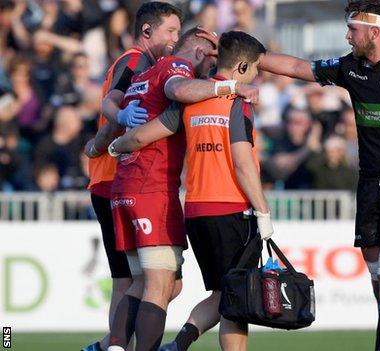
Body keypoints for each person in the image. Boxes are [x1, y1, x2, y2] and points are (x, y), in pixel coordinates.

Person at [257, 1, 380, 349]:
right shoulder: (351, 67)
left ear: (375, 32)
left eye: (353, 30)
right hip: (369, 186)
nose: (348, 36)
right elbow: (295, 66)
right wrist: (244, 52)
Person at [107, 30, 272, 351]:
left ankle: (176, 344)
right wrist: (263, 210)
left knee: (222, 293)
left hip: (195, 212)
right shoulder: (236, 101)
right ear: (241, 69)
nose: (257, 78)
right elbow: (242, 163)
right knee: (236, 300)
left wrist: (115, 145)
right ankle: (169, 346)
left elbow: (143, 135)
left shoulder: (189, 104)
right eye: (255, 70)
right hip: (231, 208)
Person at [81, 3, 186, 351]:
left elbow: (110, 105)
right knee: (134, 280)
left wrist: (97, 143)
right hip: (121, 178)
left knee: (152, 281)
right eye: (169, 31)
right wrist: (105, 140)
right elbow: (111, 105)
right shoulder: (136, 60)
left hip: (116, 179)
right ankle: (114, 346)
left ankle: (109, 345)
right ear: (146, 32)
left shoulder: (139, 64)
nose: (175, 39)